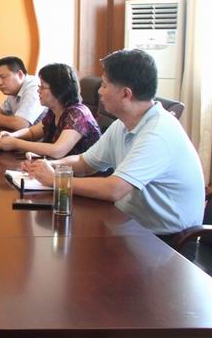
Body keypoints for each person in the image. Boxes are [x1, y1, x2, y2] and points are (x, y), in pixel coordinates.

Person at [23, 49, 205, 236]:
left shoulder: (158, 132)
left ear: (126, 94)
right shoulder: (123, 124)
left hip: (165, 240)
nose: (99, 91)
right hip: (126, 222)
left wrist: (57, 179)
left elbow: (114, 189)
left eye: (104, 85)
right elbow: (84, 163)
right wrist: (48, 165)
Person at [0, 63, 100, 158]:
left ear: (59, 90)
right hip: (59, 168)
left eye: (43, 86)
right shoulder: (55, 111)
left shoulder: (77, 114)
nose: (38, 90)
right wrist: (12, 135)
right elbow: (32, 132)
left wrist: (15, 143)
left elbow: (57, 150)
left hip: (81, 172)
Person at [0, 56, 46, 131]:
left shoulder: (34, 88)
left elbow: (21, 124)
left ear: (20, 74)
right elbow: (2, 111)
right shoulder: (14, 90)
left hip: (42, 137)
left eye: (3, 77)